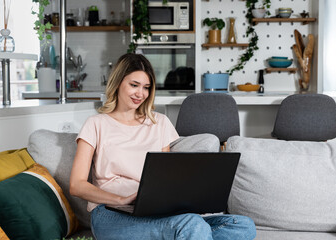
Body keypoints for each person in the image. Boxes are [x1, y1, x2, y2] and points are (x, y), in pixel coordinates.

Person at [69, 53, 256, 240]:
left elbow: (166, 177)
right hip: (111, 213)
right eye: (134, 85)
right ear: (117, 83)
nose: (140, 94)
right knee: (192, 226)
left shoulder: (160, 123)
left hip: (155, 212)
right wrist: (121, 199)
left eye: (146, 87)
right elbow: (77, 185)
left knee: (242, 226)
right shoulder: (96, 124)